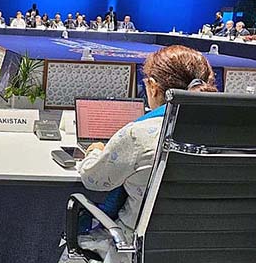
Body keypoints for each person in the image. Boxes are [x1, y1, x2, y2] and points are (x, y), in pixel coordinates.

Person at [72, 45, 217, 263]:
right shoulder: (238, 133)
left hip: (138, 248)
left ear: (152, 87)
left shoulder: (138, 135)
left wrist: (94, 152)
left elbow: (93, 179)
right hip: (216, 248)